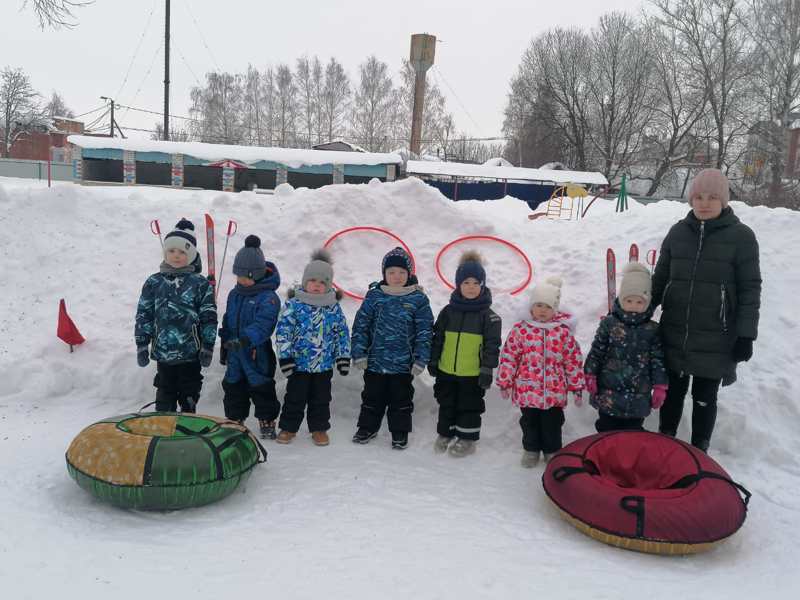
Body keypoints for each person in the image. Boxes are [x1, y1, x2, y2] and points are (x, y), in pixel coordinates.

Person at [652, 168, 761, 451]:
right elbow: (660, 277)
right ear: (691, 199)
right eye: (698, 196)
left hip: (717, 335)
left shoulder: (742, 237)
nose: (704, 202)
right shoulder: (677, 233)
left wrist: (746, 334)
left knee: (704, 396)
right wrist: (638, 312)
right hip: (675, 330)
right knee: (673, 393)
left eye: (712, 197)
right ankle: (666, 443)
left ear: (724, 201)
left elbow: (750, 288)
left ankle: (699, 450)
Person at [495, 276, 584, 467]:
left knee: (553, 423)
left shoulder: (562, 332)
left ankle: (552, 451)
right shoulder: (521, 330)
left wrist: (576, 386)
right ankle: (531, 449)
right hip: (527, 390)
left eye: (548, 306)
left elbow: (573, 360)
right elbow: (509, 356)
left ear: (555, 309)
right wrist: (505, 381)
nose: (543, 310)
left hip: (554, 392)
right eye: (539, 305)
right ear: (531, 307)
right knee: (529, 422)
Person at [350, 247, 434, 450]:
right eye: (391, 272)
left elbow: (425, 330)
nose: (397, 277)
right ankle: (367, 427)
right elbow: (361, 325)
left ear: (409, 274)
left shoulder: (418, 299)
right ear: (384, 274)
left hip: (403, 364)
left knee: (401, 399)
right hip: (375, 361)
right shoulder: (374, 296)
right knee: (372, 396)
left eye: (402, 273)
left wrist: (421, 358)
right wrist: (359, 353)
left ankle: (400, 430)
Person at [135, 218, 217, 413]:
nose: (176, 256)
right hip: (163, 354)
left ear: (191, 255)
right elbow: (144, 314)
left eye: (182, 252)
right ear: (165, 253)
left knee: (189, 395)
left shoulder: (199, 284)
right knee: (165, 393)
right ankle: (164, 427)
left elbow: (209, 317)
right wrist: (141, 344)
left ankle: (186, 428)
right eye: (171, 251)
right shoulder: (154, 282)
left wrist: (208, 345)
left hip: (191, 353)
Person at [428, 251, 502, 457]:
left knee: (469, 406)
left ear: (483, 285)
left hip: (472, 373)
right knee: (447, 402)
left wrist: (487, 369)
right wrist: (434, 360)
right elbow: (438, 338)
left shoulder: (489, 317)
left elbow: (492, 345)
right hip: (446, 370)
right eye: (466, 282)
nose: (471, 287)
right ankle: (446, 433)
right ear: (458, 285)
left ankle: (467, 439)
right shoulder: (448, 312)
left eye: (476, 283)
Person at [274, 250, 351, 446]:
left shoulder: (333, 307)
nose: (317, 285)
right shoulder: (294, 305)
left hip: (324, 365)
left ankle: (319, 428)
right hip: (299, 365)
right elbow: (283, 332)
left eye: (322, 282)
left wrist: (343, 357)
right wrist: (285, 357)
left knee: (321, 399)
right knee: (294, 398)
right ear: (305, 281)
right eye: (313, 280)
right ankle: (289, 427)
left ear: (328, 285)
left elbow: (341, 333)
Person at [584, 262, 668, 432]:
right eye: (629, 300)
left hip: (638, 396)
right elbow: (597, 351)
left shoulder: (652, 329)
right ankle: (605, 457)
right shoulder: (609, 324)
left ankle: (628, 459)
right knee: (606, 430)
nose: (634, 306)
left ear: (648, 302)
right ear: (621, 299)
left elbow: (658, 360)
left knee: (633, 434)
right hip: (608, 392)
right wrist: (590, 374)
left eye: (639, 302)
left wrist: (660, 386)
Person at [219, 235, 282, 438]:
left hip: (257, 352)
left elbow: (264, 324)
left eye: (245, 276)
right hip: (235, 352)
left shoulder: (269, 297)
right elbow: (228, 318)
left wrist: (246, 339)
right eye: (238, 276)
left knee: (261, 386)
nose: (241, 280)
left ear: (257, 274)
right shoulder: (234, 294)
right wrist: (224, 341)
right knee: (233, 386)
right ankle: (235, 419)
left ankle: (267, 419)